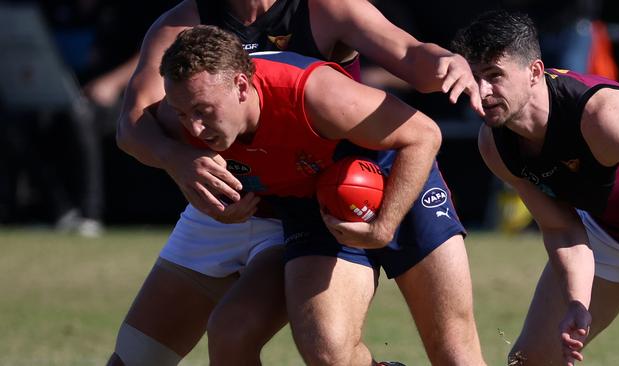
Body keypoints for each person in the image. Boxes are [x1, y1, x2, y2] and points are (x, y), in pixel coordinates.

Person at [109, 1, 486, 365]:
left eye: (201, 111)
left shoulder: (320, 37)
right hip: (252, 193)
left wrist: (445, 63)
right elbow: (133, 124)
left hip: (349, 178)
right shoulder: (182, 25)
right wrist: (179, 161)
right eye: (184, 113)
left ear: (242, 85)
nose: (192, 125)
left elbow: (410, 58)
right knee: (216, 341)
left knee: (455, 353)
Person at [451, 10, 619, 366]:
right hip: (606, 234)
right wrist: (577, 301)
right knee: (532, 362)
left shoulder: (601, 115)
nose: (482, 92)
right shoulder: (494, 144)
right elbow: (561, 228)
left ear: (535, 72)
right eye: (475, 78)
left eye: (494, 76)